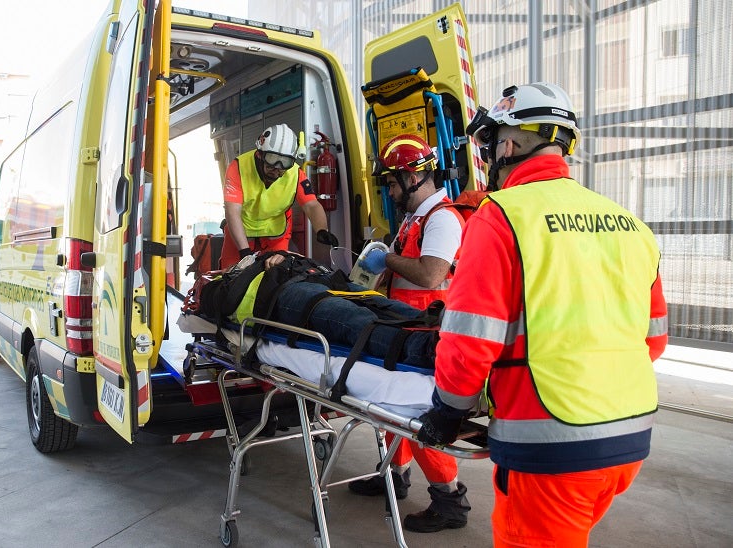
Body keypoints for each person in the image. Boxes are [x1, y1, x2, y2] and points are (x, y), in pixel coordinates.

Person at [416, 82, 668, 546]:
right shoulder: (630, 224)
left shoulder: (500, 217)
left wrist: (447, 413)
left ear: (508, 144)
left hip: (552, 446)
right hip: (629, 439)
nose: (490, 159)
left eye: (491, 146)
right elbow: (652, 341)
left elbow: (470, 341)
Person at [347, 134, 471, 533]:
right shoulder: (416, 218)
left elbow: (432, 273)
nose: (390, 190)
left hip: (428, 334)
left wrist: (390, 259)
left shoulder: (442, 219)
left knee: (418, 416)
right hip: (405, 328)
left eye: (393, 182)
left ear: (413, 177)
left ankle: (449, 499)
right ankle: (393, 477)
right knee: (390, 408)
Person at [220, 123, 338, 268]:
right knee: (230, 276)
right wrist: (245, 252)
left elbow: (311, 205)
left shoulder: (296, 174)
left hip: (275, 235)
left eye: (284, 164)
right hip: (240, 233)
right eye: (271, 163)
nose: (276, 170)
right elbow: (232, 211)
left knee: (276, 276)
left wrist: (321, 230)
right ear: (259, 154)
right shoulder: (238, 168)